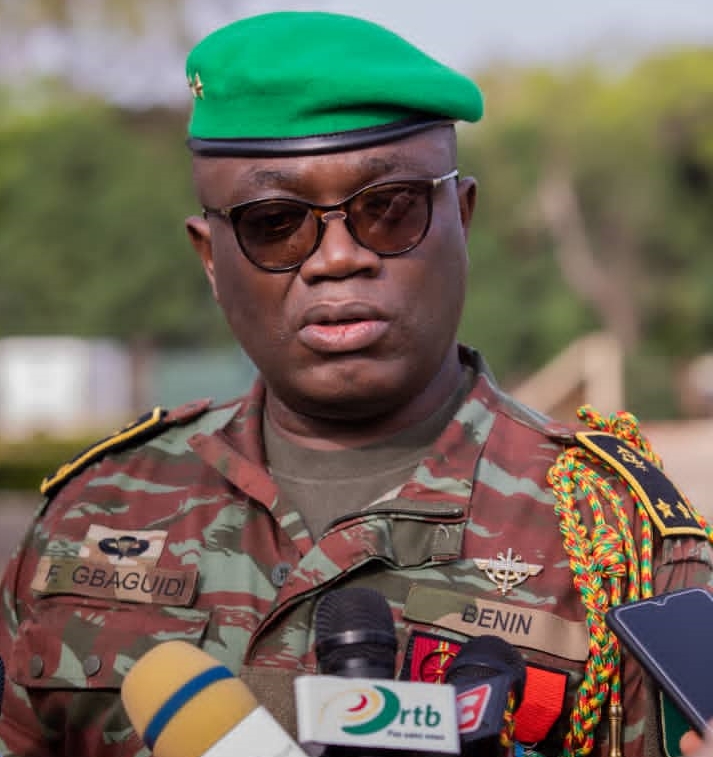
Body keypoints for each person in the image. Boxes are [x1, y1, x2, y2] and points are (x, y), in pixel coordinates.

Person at [0, 10, 711, 757]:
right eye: (274, 222)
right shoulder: (96, 511)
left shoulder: (612, 535)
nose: (338, 258)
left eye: (389, 209)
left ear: (462, 217)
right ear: (210, 258)